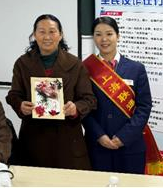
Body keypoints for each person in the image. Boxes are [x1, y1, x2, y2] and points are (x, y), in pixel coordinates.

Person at [6, 14, 96, 170]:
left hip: (66, 138)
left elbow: (89, 99)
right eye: (42, 32)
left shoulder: (75, 64)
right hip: (33, 137)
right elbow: (14, 95)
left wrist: (75, 108)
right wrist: (20, 105)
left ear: (60, 35)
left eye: (52, 31)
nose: (47, 37)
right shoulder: (22, 63)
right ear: (34, 35)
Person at [82, 16, 153, 174]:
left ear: (118, 36)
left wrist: (123, 137)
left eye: (109, 34)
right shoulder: (85, 69)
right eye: (98, 34)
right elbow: (84, 107)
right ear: (93, 38)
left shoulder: (136, 69)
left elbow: (144, 107)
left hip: (130, 146)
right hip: (97, 146)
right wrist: (99, 135)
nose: (104, 39)